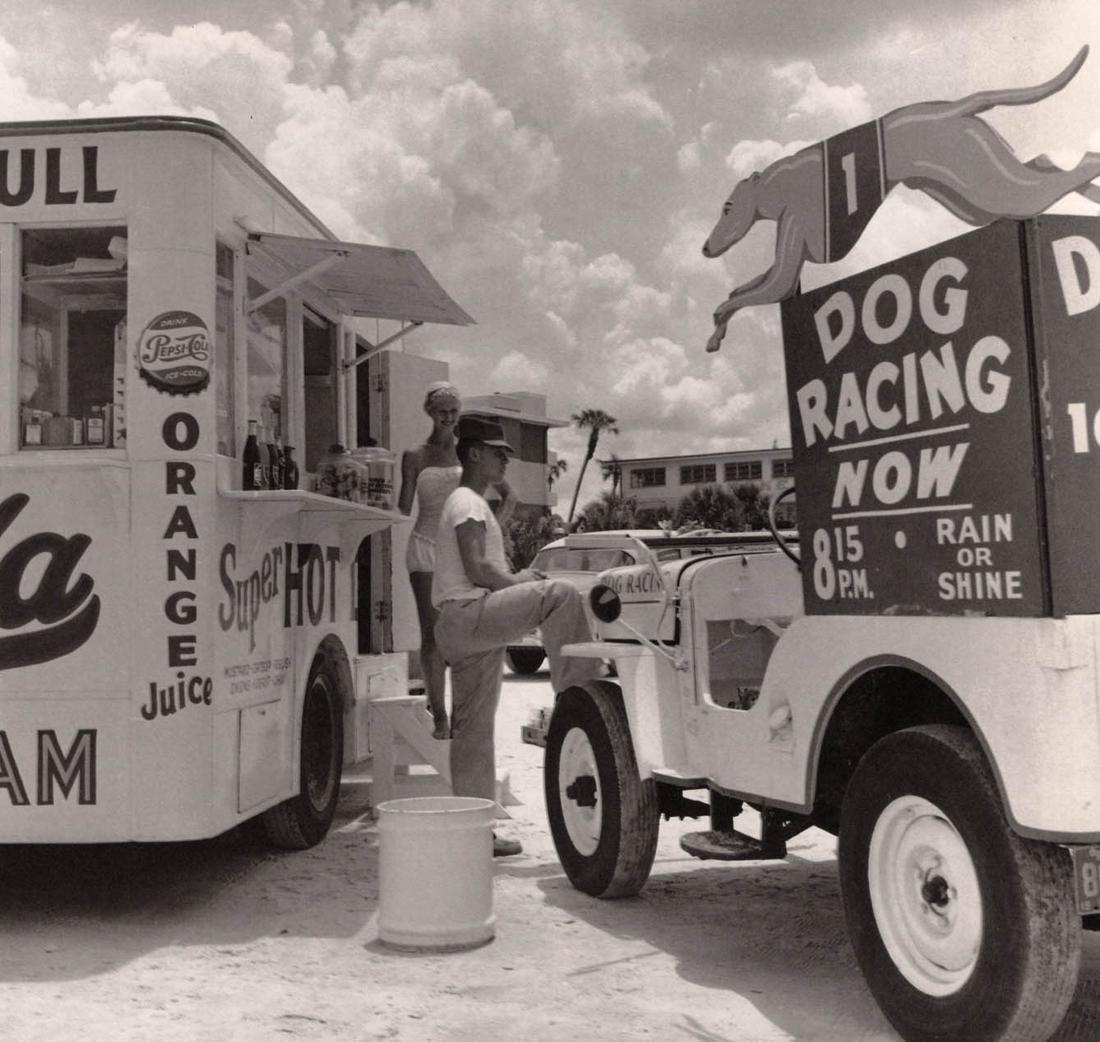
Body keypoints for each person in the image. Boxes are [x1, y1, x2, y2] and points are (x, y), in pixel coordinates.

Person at [432, 415, 600, 857]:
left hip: (458, 625)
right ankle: (581, 696)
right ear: (473, 453)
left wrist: (507, 496)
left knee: (472, 734)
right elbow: (479, 569)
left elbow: (488, 542)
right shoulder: (467, 502)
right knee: (559, 594)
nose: (505, 459)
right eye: (497, 452)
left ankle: (474, 834)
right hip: (470, 613)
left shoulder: (468, 501)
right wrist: (523, 581)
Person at [398, 381, 468, 739]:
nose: (449, 417)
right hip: (424, 545)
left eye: (454, 411)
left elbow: (502, 495)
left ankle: (461, 713)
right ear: (430, 412)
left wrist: (492, 528)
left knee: (459, 635)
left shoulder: (468, 452)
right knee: (432, 635)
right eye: (443, 411)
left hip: (459, 551)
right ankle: (439, 714)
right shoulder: (414, 456)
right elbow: (401, 506)